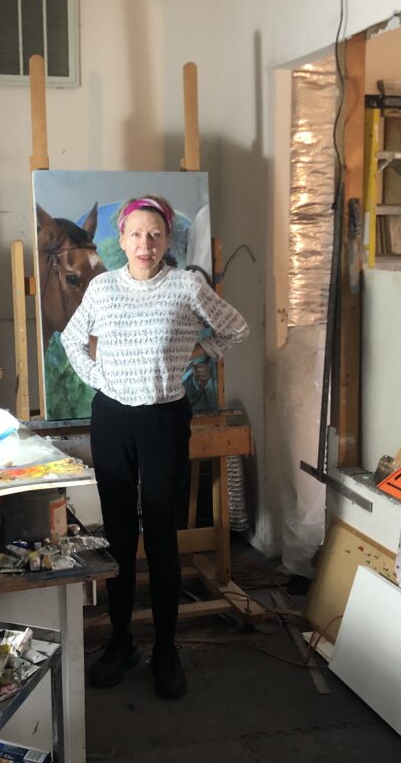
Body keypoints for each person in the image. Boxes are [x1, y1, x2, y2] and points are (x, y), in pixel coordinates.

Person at [60, 195, 249, 699]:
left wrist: (199, 352)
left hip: (165, 418)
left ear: (167, 241)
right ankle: (121, 642)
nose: (146, 244)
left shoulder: (187, 286)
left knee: (162, 534)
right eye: (136, 234)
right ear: (121, 240)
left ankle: (167, 649)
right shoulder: (101, 289)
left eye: (155, 235)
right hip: (113, 420)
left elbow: (234, 327)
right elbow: (71, 341)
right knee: (118, 536)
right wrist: (98, 375)